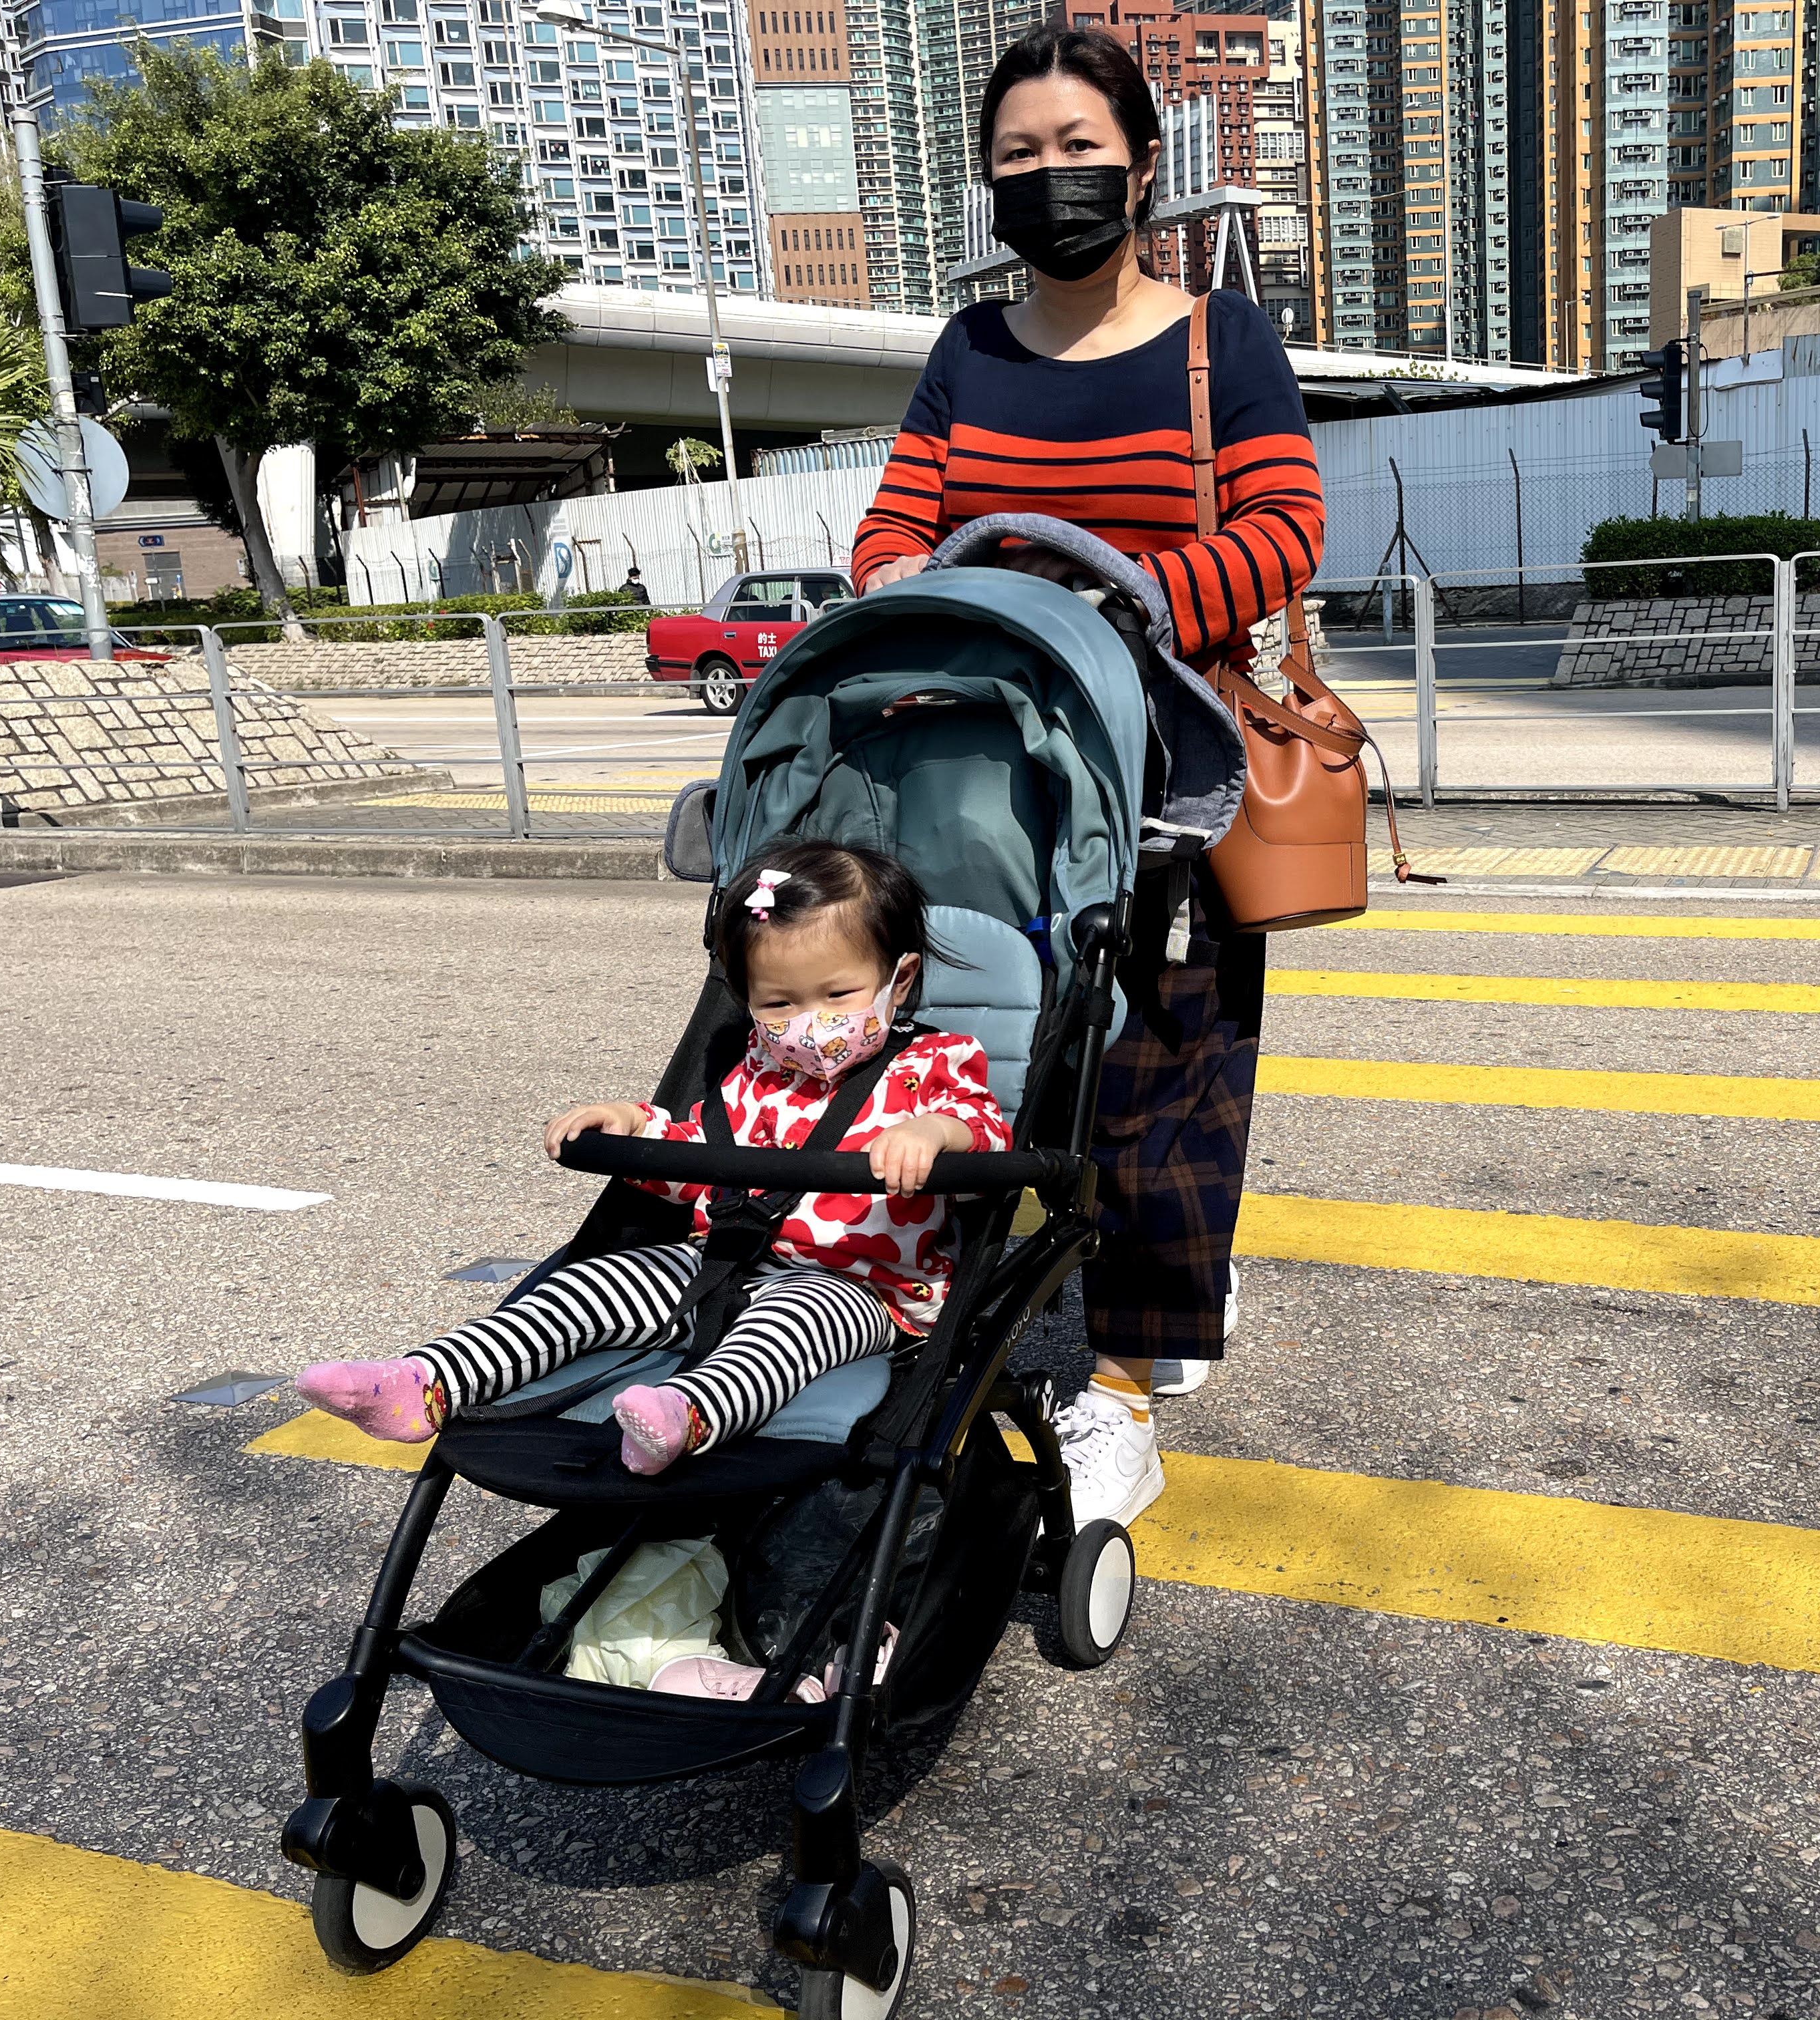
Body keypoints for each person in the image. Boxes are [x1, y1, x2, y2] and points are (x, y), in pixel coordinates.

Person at [850, 24, 1323, 1532]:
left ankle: (1123, 1387)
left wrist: (1119, 612)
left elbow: (1284, 530)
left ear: (1140, 165)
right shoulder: (969, 351)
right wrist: (907, 595)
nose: (1047, 176)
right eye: (1018, 156)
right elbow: (891, 528)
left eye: (1076, 148)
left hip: (1167, 764)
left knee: (1163, 1072)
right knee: (977, 1045)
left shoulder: (1218, 338)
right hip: (989, 771)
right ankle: (916, 1302)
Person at [295, 839, 1009, 1476]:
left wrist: (936, 1134)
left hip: (863, 1288)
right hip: (723, 1259)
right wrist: (635, 1127)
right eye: (779, 1004)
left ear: (899, 980)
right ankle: (427, 1381)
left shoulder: (935, 1064)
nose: (809, 1025)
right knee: (588, 1287)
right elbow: (704, 1155)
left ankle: (686, 1415)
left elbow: (987, 1130)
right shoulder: (757, 1069)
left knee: (785, 1328)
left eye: (838, 995)